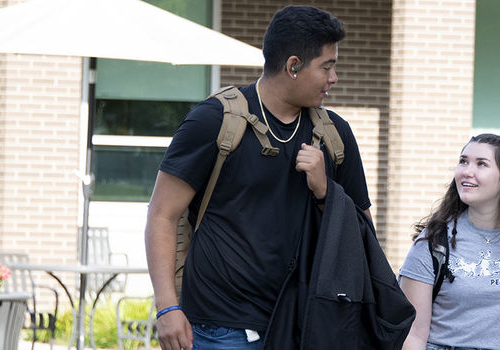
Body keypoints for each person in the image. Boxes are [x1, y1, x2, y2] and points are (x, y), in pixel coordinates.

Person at [143, 5, 372, 350]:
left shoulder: (335, 135)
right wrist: (167, 306)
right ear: (293, 66)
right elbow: (162, 214)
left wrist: (327, 192)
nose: (334, 78)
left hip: (304, 325)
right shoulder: (213, 121)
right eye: (327, 66)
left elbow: (364, 235)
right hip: (218, 330)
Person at [398, 134, 500, 350]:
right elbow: (413, 334)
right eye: (463, 161)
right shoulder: (433, 242)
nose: (466, 171)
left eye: (481, 164)